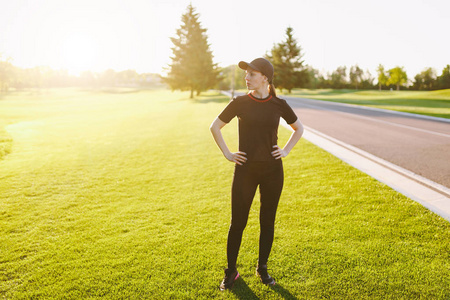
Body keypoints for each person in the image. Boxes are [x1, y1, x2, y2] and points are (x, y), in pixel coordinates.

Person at [210, 57, 304, 291]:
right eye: (246, 73)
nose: (247, 77)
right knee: (238, 223)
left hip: (273, 171)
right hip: (245, 171)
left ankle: (262, 268)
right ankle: (231, 272)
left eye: (251, 73)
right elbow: (215, 126)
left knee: (267, 222)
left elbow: (299, 128)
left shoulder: (279, 104)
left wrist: (285, 150)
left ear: (265, 77)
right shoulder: (240, 102)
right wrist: (228, 153)